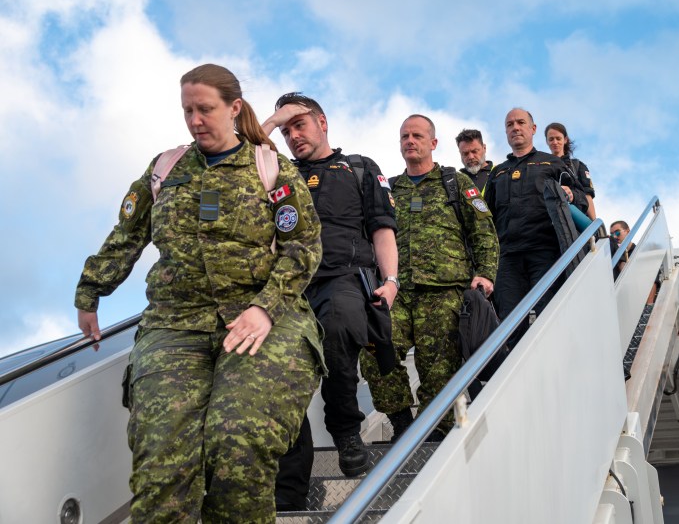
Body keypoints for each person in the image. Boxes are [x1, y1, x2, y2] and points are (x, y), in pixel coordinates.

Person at [74, 64, 324, 523]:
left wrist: (264, 309)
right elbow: (127, 236)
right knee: (162, 460)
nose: (194, 120)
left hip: (263, 323)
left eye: (205, 109)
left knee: (237, 445)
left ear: (234, 108)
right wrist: (90, 291)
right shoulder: (165, 169)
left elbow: (303, 248)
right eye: (187, 110)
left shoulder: (270, 168)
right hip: (174, 324)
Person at [261, 94, 398, 488]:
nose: (292, 136)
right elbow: (239, 154)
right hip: (290, 285)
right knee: (279, 377)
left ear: (323, 123)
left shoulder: (357, 167)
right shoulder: (277, 173)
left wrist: (390, 281)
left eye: (299, 125)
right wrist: (273, 121)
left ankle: (346, 431)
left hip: (344, 275)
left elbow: (382, 229)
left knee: (339, 329)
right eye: (285, 131)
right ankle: (290, 485)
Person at [365, 114, 499, 440]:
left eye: (417, 136)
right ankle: (400, 424)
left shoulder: (455, 183)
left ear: (433, 143)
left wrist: (484, 273)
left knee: (438, 372)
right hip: (397, 289)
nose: (410, 141)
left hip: (444, 291)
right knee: (373, 351)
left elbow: (484, 231)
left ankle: (431, 440)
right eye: (404, 136)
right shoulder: (389, 189)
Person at [484, 108, 589, 344]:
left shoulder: (552, 163)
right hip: (508, 258)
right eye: (510, 124)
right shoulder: (498, 172)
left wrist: (572, 194)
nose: (515, 127)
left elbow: (583, 201)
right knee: (509, 326)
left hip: (546, 254)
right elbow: (485, 220)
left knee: (550, 317)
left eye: (521, 122)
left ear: (532, 129)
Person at [544, 122, 597, 220]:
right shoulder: (542, 167)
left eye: (558, 138)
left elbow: (587, 196)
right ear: (547, 142)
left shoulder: (577, 166)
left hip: (576, 221)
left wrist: (594, 224)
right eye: (551, 139)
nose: (555, 142)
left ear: (565, 140)